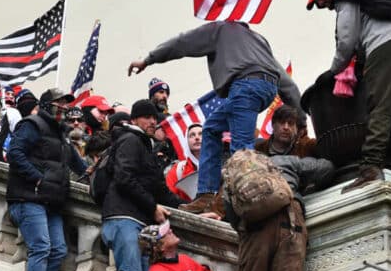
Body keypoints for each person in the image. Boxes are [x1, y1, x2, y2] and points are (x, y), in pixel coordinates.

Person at [128, 21, 303, 214]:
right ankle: (206, 194)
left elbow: (183, 42)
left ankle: (249, 201)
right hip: (264, 89)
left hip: (244, 87)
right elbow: (288, 85)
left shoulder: (221, 29)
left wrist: (149, 59)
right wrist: (302, 120)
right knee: (211, 129)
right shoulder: (258, 40)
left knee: (241, 149)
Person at [303, 0, 391, 190]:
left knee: (380, 108)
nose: (321, 4)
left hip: (386, 45)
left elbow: (347, 40)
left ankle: (371, 168)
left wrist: (334, 70)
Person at [102, 99, 183, 271]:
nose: (152, 121)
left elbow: (161, 191)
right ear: (135, 119)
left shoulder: (146, 146)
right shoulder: (130, 140)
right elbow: (124, 178)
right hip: (123, 217)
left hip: (137, 222)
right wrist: (152, 207)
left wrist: (191, 210)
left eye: (154, 118)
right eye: (147, 117)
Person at [6, 88, 86, 271]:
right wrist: (37, 178)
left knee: (58, 250)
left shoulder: (62, 134)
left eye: (66, 103)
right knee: (41, 248)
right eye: (59, 102)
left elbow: (80, 166)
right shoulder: (32, 125)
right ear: (46, 104)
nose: (64, 107)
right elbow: (14, 153)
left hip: (50, 200)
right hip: (28, 198)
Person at [165, 124, 202, 201]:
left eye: (201, 134)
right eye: (192, 135)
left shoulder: (219, 166)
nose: (197, 138)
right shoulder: (177, 170)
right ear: (186, 141)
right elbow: (169, 197)